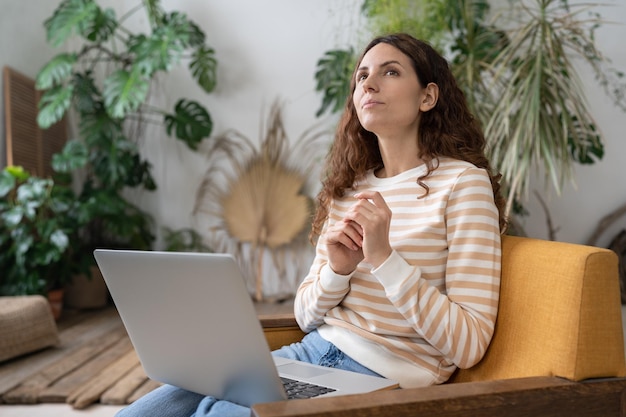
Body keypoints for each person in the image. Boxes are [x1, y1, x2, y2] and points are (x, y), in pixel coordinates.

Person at [116, 32, 506, 417]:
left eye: (390, 72)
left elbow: (468, 344)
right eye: (361, 76)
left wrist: (385, 258)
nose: (368, 83)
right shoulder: (350, 188)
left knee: (214, 412)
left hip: (387, 378)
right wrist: (338, 270)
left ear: (428, 96)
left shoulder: (461, 184)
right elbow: (305, 315)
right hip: (310, 353)